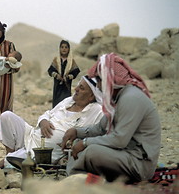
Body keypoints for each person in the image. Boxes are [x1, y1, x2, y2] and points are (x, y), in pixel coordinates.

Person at [61, 53, 161, 183]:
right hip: (125, 155)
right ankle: (77, 178)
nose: (97, 86)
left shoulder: (131, 98)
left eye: (100, 80)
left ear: (110, 79)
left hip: (139, 163)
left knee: (92, 151)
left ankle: (76, 181)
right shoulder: (119, 98)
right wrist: (76, 132)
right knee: (80, 143)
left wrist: (85, 143)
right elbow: (100, 128)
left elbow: (119, 140)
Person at [0, 76, 104, 168]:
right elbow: (48, 113)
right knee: (6, 116)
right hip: (31, 135)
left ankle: (8, 161)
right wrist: (43, 121)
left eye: (81, 88)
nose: (76, 89)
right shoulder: (68, 101)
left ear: (91, 96)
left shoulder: (96, 111)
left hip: (44, 152)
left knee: (9, 161)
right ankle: (10, 154)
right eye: (78, 85)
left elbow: (99, 132)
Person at [48, 40, 80, 108]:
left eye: (66, 47)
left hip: (66, 87)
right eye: (62, 47)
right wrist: (56, 75)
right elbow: (50, 70)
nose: (64, 49)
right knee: (56, 105)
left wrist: (68, 77)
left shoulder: (71, 61)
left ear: (69, 49)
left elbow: (76, 71)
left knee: (65, 104)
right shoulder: (56, 60)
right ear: (59, 49)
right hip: (57, 87)